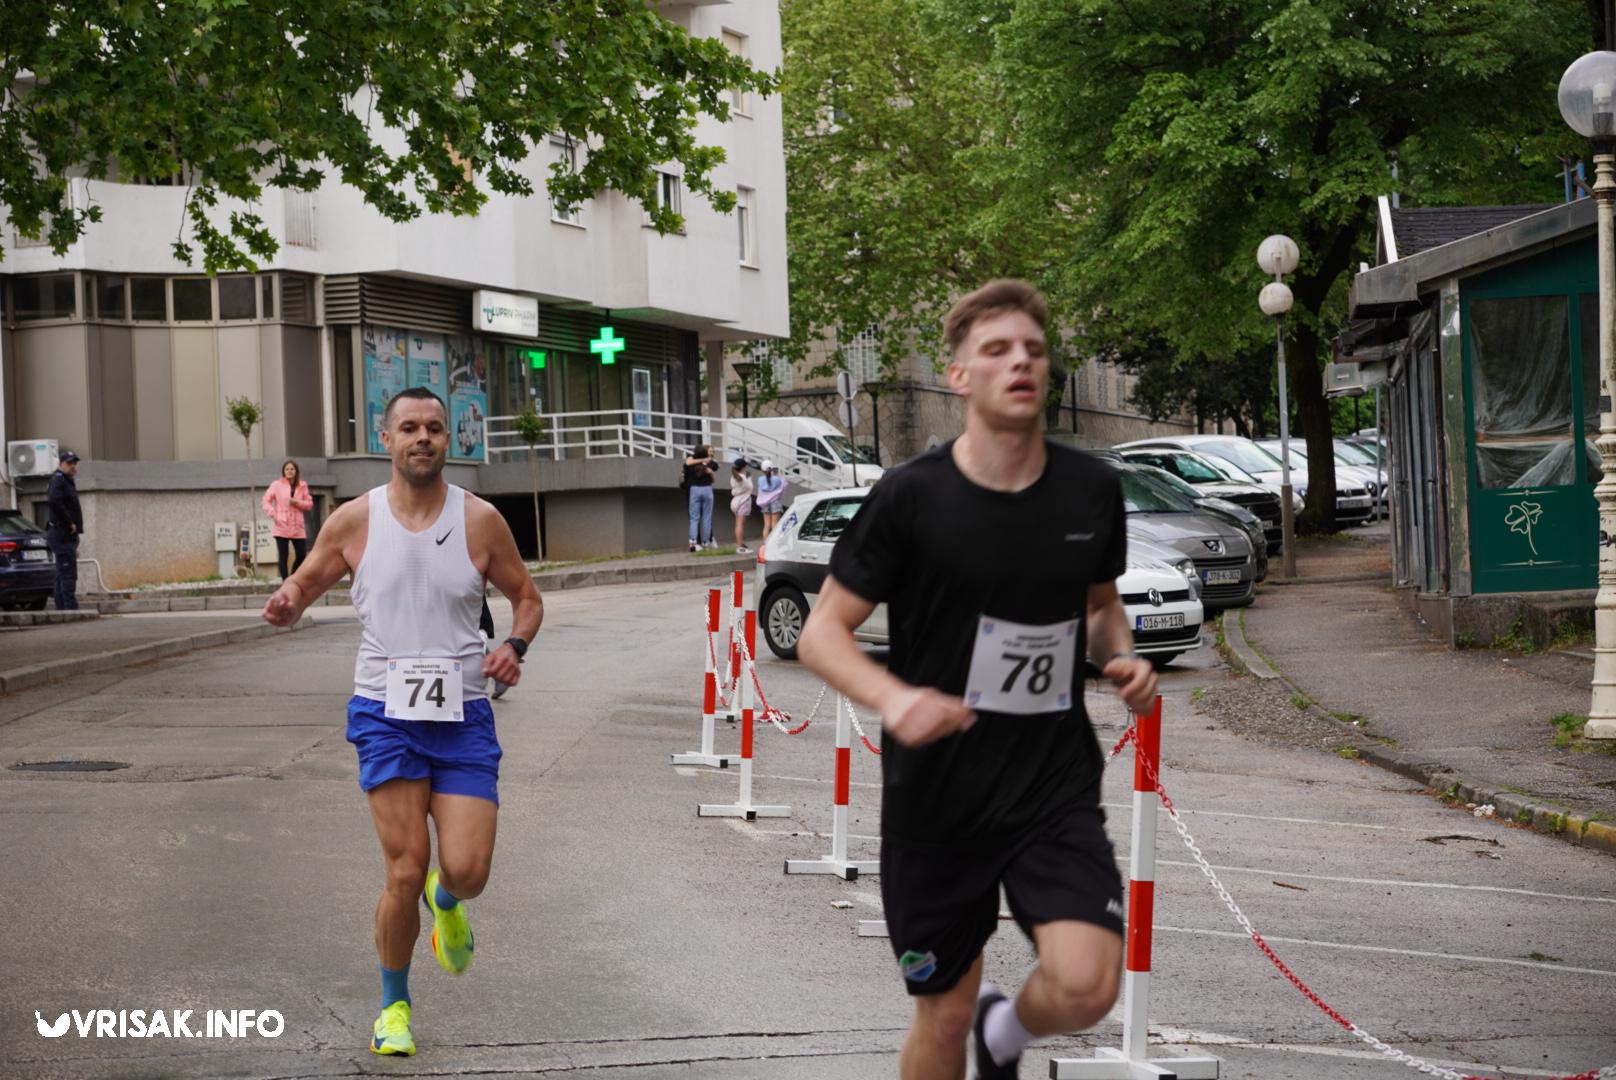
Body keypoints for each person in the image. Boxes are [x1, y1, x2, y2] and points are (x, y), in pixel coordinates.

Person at [797, 280, 1156, 1080]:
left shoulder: (1090, 492)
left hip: (1049, 784)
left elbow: (1101, 609)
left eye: (1032, 349)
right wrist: (895, 698)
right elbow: (823, 634)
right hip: (937, 798)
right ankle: (975, 1027)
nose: (1019, 362)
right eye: (997, 351)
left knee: (1089, 983)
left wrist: (1121, 655)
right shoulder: (909, 498)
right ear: (959, 375)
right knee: (943, 1010)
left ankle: (1008, 1034)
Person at [262, 387, 543, 1057]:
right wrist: (287, 600)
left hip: (465, 714)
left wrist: (515, 644)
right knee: (401, 870)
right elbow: (305, 583)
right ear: (385, 440)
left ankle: (448, 899)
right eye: (410, 428)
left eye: (436, 429)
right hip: (384, 713)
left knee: (467, 869)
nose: (424, 438)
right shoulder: (354, 522)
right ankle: (393, 1007)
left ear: (451, 442)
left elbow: (527, 598)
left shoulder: (480, 521)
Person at [262, 459, 315, 580]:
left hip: (297, 526)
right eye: (287, 469)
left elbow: (309, 504)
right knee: (283, 556)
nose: (289, 471)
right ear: (283, 471)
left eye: (292, 469)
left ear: (296, 471)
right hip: (282, 524)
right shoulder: (276, 485)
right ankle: (285, 582)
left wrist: (297, 502)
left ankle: (293, 578)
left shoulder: (302, 485)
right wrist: (274, 515)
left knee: (302, 554)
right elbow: (266, 500)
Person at [46, 449, 83, 611]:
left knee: (62, 573)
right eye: (69, 463)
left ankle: (62, 609)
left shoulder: (67, 480)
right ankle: (70, 608)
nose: (73, 466)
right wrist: (69, 522)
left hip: (65, 535)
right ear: (60, 464)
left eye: (74, 463)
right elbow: (54, 501)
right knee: (68, 572)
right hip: (62, 534)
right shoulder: (59, 479)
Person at [684, 444, 718, 552]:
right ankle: (706, 543)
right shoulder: (709, 462)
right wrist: (710, 472)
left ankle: (693, 542)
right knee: (707, 518)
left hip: (694, 489)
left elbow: (687, 462)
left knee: (694, 518)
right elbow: (714, 473)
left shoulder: (690, 462)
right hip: (707, 489)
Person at [729, 458, 755, 554]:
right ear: (743, 467)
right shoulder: (741, 477)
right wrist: (747, 477)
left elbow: (740, 479)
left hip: (736, 502)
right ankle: (740, 546)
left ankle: (740, 544)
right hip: (743, 502)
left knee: (738, 524)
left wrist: (747, 477)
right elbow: (743, 481)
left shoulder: (734, 477)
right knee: (740, 524)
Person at [756, 460, 786, 540]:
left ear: (762, 470)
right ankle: (774, 544)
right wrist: (780, 475)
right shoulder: (777, 479)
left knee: (766, 525)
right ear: (772, 469)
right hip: (775, 503)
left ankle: (766, 545)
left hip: (765, 504)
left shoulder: (760, 480)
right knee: (775, 525)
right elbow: (784, 485)